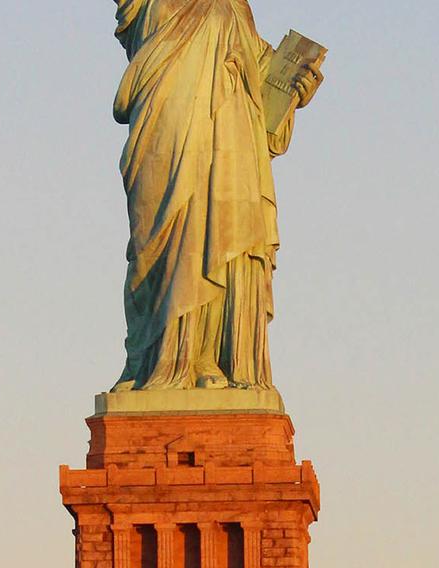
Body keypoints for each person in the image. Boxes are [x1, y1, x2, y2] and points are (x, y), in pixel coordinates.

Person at [109, 0, 323, 391]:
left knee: (226, 239)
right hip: (167, 123)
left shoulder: (233, 6)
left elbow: (259, 85)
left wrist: (293, 86)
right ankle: (160, 359)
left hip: (231, 139)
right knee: (166, 244)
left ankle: (214, 359)